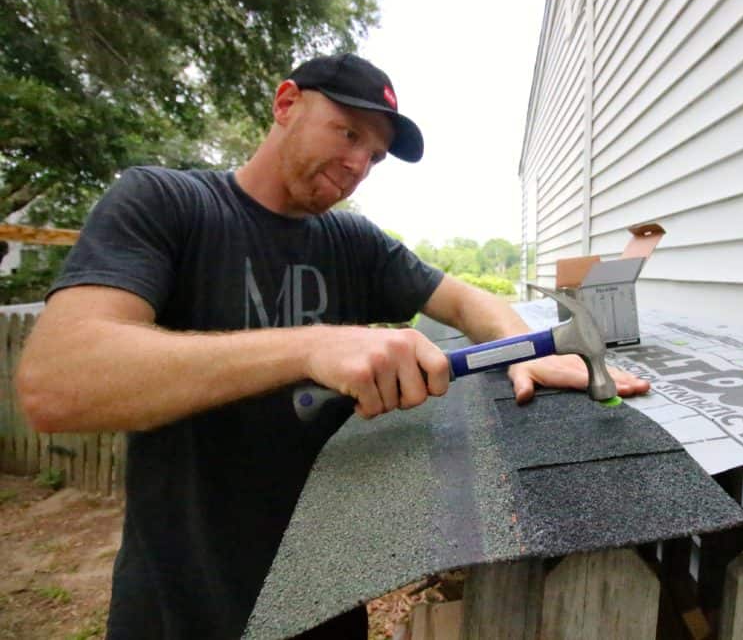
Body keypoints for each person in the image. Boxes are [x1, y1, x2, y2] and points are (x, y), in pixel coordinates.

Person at [15, 53, 649, 639]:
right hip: (182, 608)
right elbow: (57, 382)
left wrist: (526, 347)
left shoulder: (353, 241)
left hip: (322, 598)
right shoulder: (166, 204)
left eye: (374, 157)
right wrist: (310, 347)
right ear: (287, 103)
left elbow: (461, 300)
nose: (358, 165)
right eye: (348, 133)